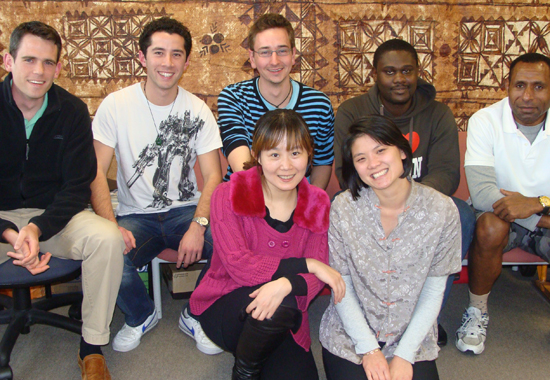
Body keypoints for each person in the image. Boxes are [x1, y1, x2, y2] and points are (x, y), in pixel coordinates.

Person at [0, 21, 125, 379]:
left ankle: (92, 347)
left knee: (106, 237)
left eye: (48, 63)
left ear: (58, 67)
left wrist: (37, 228)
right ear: (8, 61)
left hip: (53, 217)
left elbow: (76, 187)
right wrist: (10, 232)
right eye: (28, 60)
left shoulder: (70, 111)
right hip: (2, 222)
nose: (38, 72)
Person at [91, 17, 223, 354]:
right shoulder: (116, 105)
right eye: (159, 53)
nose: (167, 63)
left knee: (229, 246)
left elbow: (213, 176)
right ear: (142, 57)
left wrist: (199, 223)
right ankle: (141, 315)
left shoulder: (198, 110)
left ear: (186, 61)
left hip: (185, 212)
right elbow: (95, 172)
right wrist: (110, 226)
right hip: (135, 214)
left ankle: (195, 315)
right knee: (103, 253)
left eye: (176, 54)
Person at [333, 39, 475, 345]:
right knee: (339, 206)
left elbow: (448, 173)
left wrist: (410, 202)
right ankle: (367, 313)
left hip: (423, 200)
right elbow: (346, 172)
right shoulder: (351, 111)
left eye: (407, 70)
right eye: (390, 71)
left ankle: (423, 319)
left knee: (461, 214)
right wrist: (385, 199)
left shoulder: (438, 114)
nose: (400, 79)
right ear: (375, 74)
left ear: (418, 72)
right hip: (369, 199)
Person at [190, 109, 345, 380]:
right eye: (274, 154)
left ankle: (254, 357)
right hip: (226, 300)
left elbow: (314, 282)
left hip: (285, 313)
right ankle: (244, 372)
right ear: (257, 156)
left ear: (309, 155)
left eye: (295, 153)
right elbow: (241, 266)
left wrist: (286, 283)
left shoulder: (317, 201)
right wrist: (306, 265)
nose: (286, 166)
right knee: (281, 305)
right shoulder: (230, 193)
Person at [320, 115, 461, 380]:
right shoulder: (343, 208)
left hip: (410, 336)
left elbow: (433, 292)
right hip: (351, 335)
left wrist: (405, 354)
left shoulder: (442, 210)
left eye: (381, 150)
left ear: (403, 152)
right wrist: (368, 348)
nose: (373, 164)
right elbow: (342, 286)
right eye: (361, 158)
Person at [456, 53, 550, 355]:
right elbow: (483, 193)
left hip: (542, 213)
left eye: (539, 87)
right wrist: (534, 215)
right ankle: (477, 311)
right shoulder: (486, 120)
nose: (527, 96)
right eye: (519, 85)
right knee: (489, 227)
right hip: (500, 215)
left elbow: (531, 205)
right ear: (506, 86)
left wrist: (537, 204)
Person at [217, 13, 334, 189]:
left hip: (298, 198)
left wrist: (310, 204)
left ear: (293, 55)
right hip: (245, 193)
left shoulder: (319, 104)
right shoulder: (233, 97)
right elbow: (240, 162)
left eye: (282, 51)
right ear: (252, 58)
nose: (274, 61)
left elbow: (322, 162)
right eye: (265, 52)